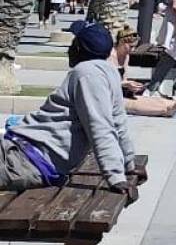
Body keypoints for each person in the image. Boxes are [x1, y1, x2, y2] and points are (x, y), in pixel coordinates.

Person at [2, 22, 138, 197]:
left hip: (24, 159)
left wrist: (115, 176)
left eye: (74, 43)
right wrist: (129, 164)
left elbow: (100, 126)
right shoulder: (110, 72)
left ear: (79, 48)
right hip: (24, 153)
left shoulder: (86, 73)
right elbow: (119, 123)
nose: (70, 49)